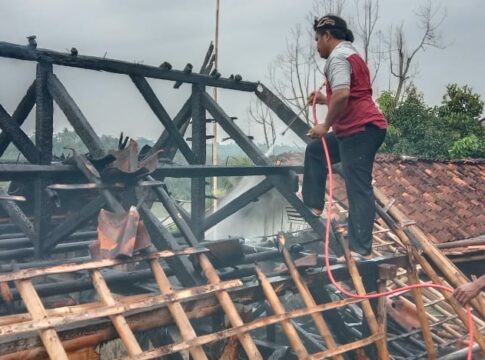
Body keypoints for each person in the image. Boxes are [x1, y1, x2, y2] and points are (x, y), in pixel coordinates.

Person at [302, 15, 387, 259]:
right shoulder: (353, 56)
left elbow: (342, 96)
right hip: (358, 129)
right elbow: (353, 93)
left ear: (328, 35)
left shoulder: (337, 58)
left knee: (358, 188)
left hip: (360, 131)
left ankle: (360, 249)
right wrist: (321, 99)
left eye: (318, 39)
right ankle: (314, 204)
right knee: (316, 152)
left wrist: (325, 125)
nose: (317, 45)